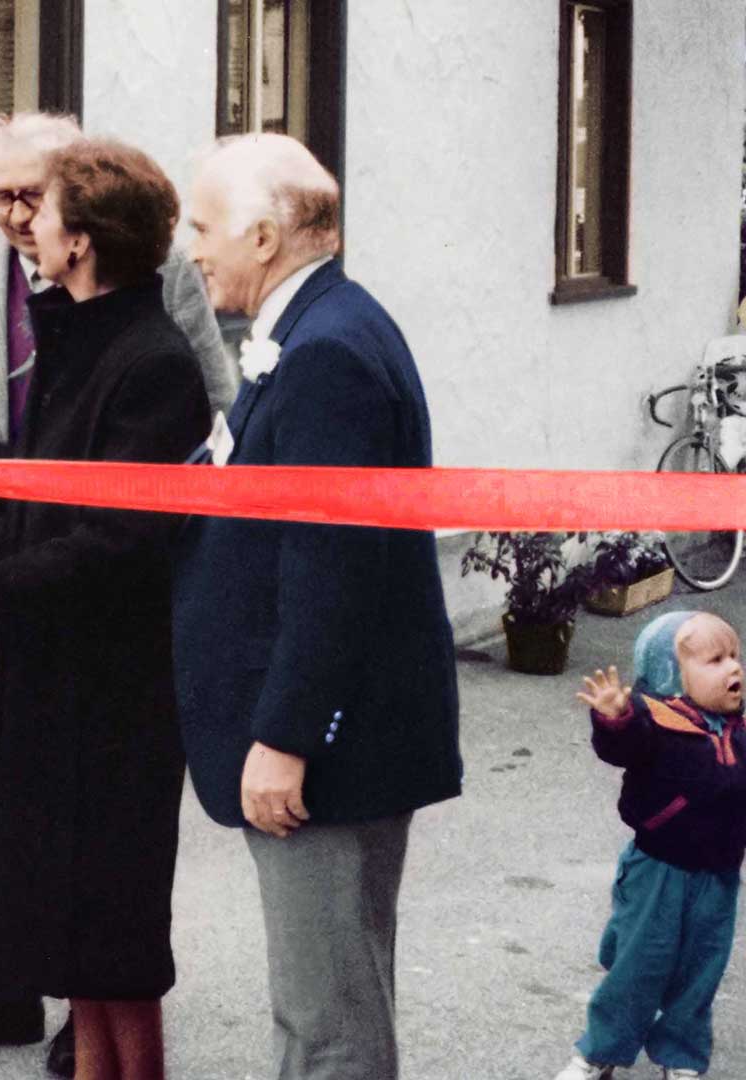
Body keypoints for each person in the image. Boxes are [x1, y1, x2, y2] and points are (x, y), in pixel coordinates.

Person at [0, 110, 234, 1079]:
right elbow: (48, 474)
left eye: (36, 205)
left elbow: (124, 533)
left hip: (107, 671)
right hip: (47, 650)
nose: (19, 223)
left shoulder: (150, 357)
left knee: (114, 917)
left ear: (79, 238)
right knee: (68, 900)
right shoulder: (82, 334)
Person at [172, 132, 462, 1080]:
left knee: (326, 1019)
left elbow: (331, 564)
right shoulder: (316, 325)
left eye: (204, 225)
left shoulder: (326, 351)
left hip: (329, 751)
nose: (191, 245)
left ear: (264, 237)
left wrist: (287, 735)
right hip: (338, 735)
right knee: (334, 1000)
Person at [554, 610, 745, 1080]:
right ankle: (602, 1050)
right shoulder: (653, 722)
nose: (734, 668)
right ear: (671, 676)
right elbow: (621, 747)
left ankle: (680, 1055)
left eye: (736, 656)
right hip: (658, 869)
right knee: (640, 965)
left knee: (700, 970)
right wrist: (614, 716)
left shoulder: (738, 728)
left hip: (718, 874)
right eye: (715, 659)